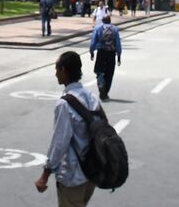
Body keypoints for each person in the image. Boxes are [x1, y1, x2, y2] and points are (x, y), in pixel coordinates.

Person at [34, 51, 99, 206]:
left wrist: (45, 174)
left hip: (73, 176)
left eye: (56, 69)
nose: (55, 73)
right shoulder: (91, 97)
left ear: (63, 70)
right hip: (92, 172)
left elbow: (60, 143)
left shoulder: (64, 104)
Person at [89, 14, 122, 100]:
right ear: (110, 21)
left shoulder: (98, 28)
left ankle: (101, 86)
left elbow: (93, 41)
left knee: (99, 71)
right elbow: (118, 43)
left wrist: (91, 51)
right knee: (109, 73)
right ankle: (105, 92)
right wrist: (119, 55)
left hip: (101, 52)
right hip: (111, 53)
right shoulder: (115, 29)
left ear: (102, 21)